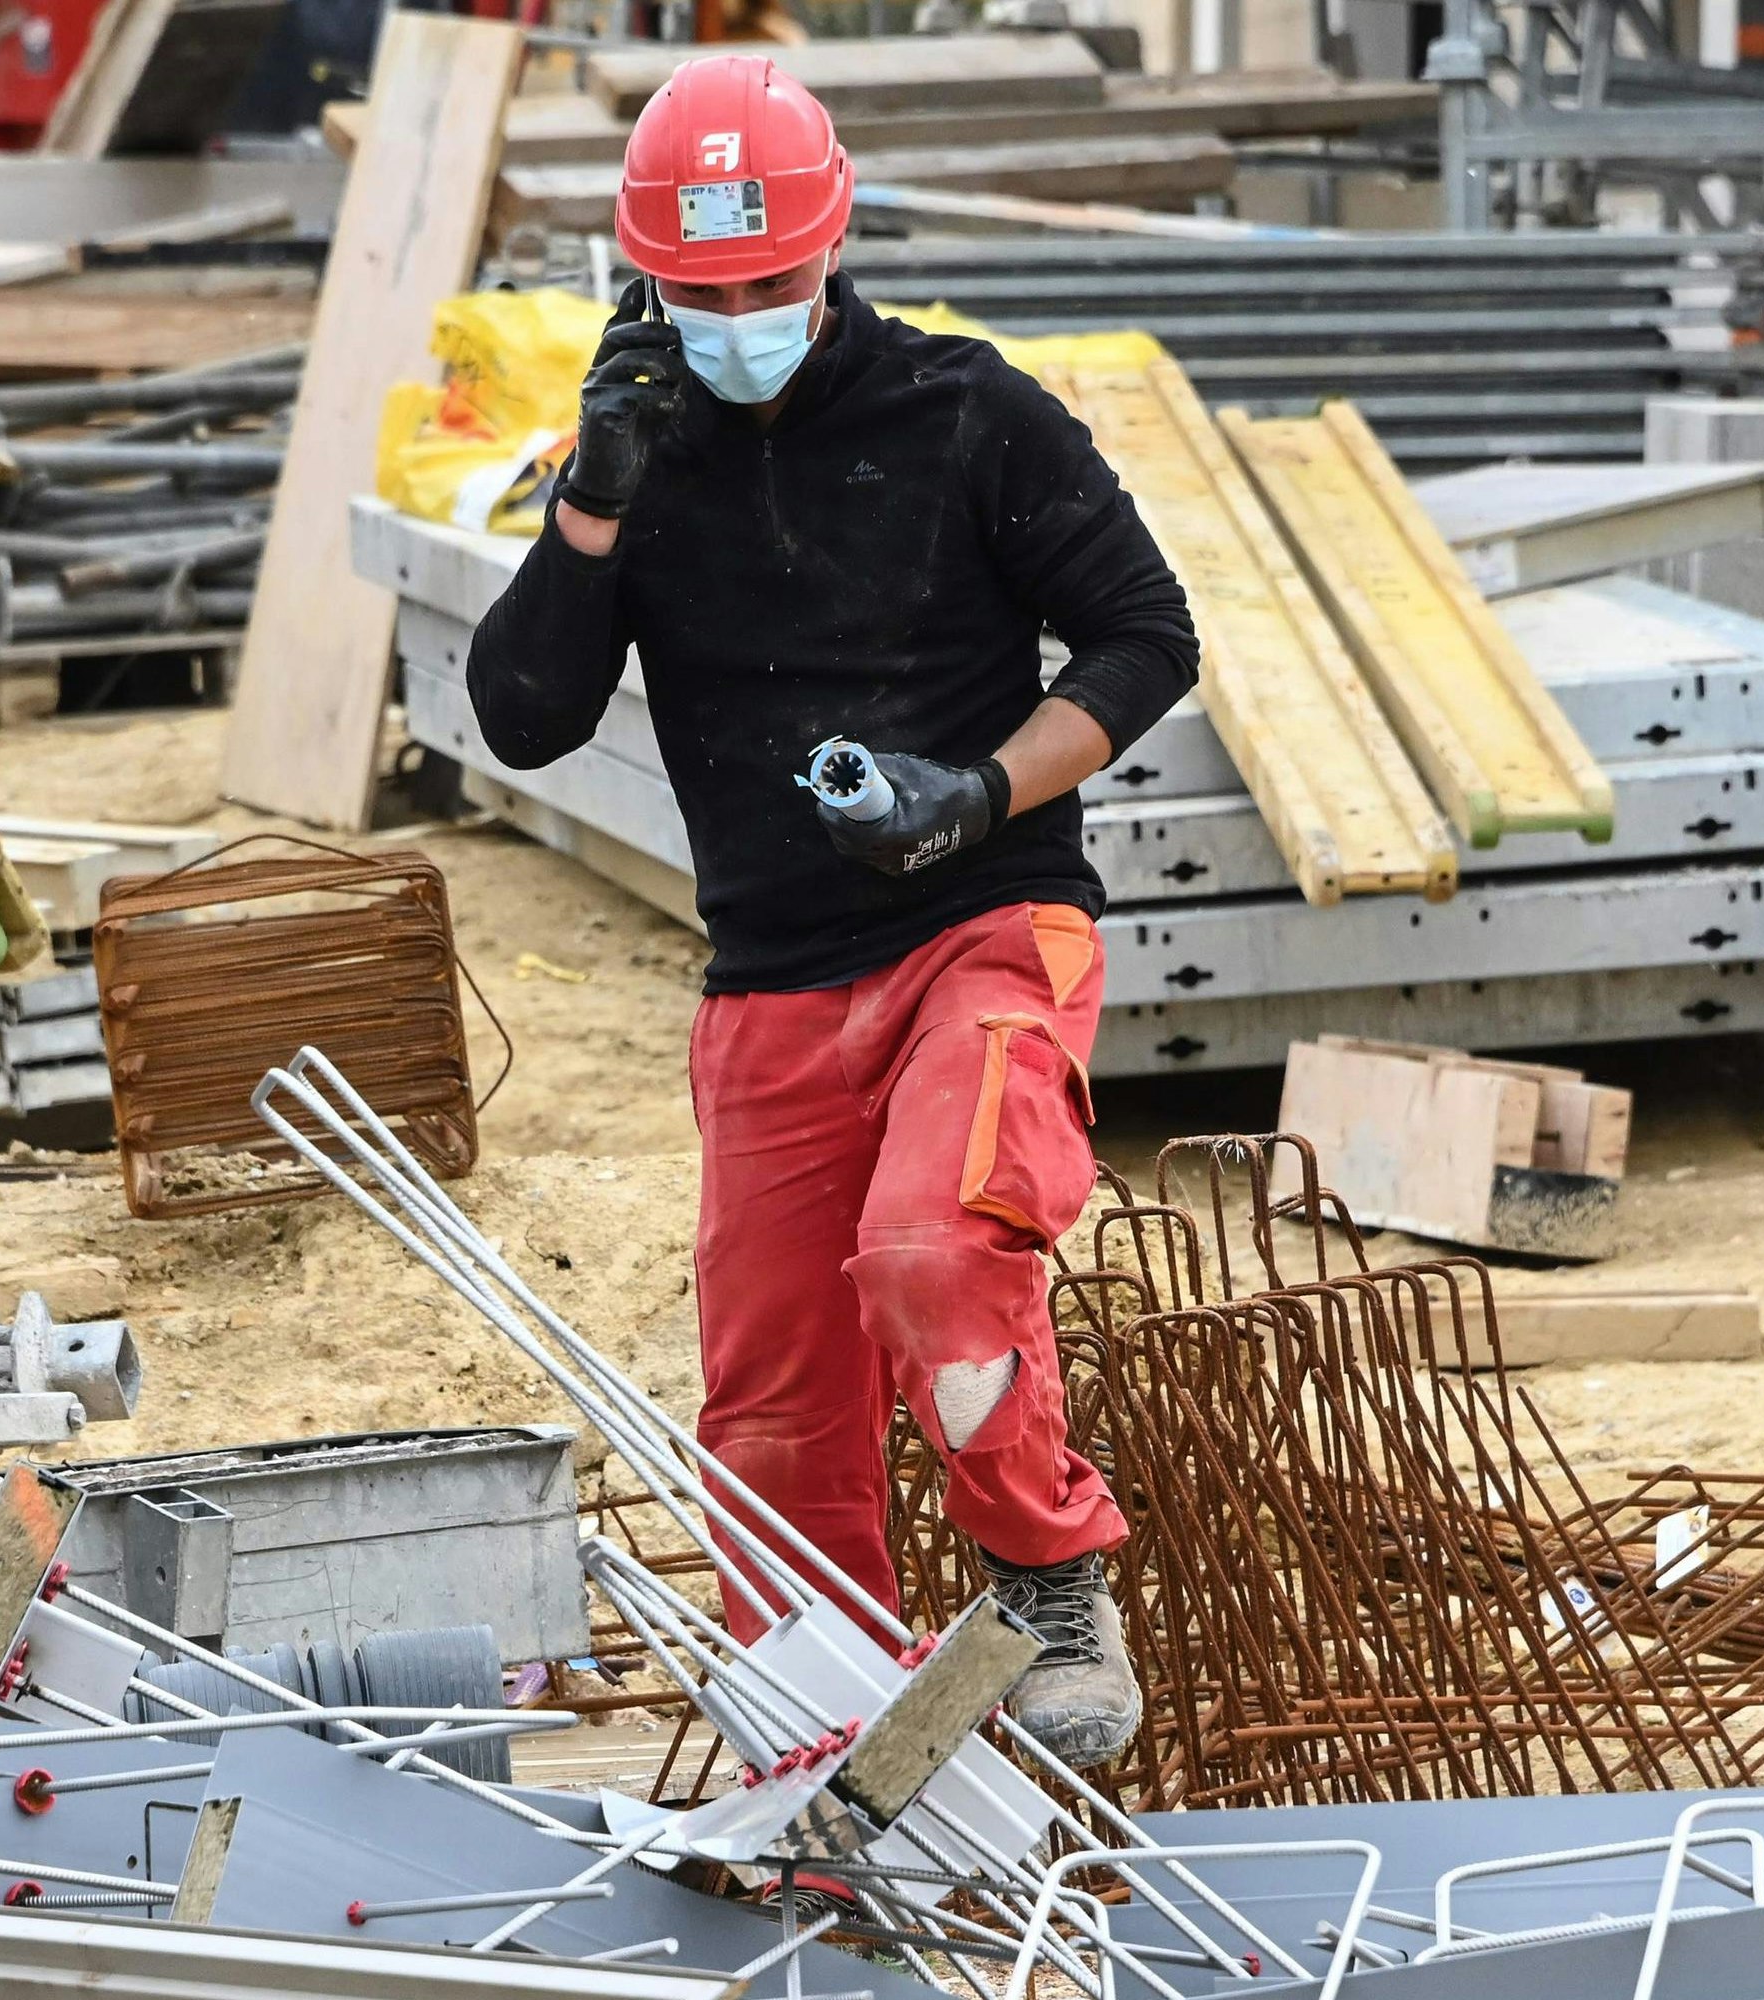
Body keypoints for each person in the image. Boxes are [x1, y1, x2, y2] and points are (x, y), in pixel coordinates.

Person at [461, 52, 1200, 1767]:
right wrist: (590, 502)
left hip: (987, 928)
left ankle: (1048, 1577)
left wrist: (982, 791)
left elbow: (1145, 638)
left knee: (935, 1257)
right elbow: (521, 716)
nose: (737, 318)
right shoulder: (634, 463)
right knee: (779, 1410)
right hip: (775, 980)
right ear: (640, 276)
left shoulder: (965, 411)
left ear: (836, 246)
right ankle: (827, 1751)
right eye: (698, 292)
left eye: (771, 286)